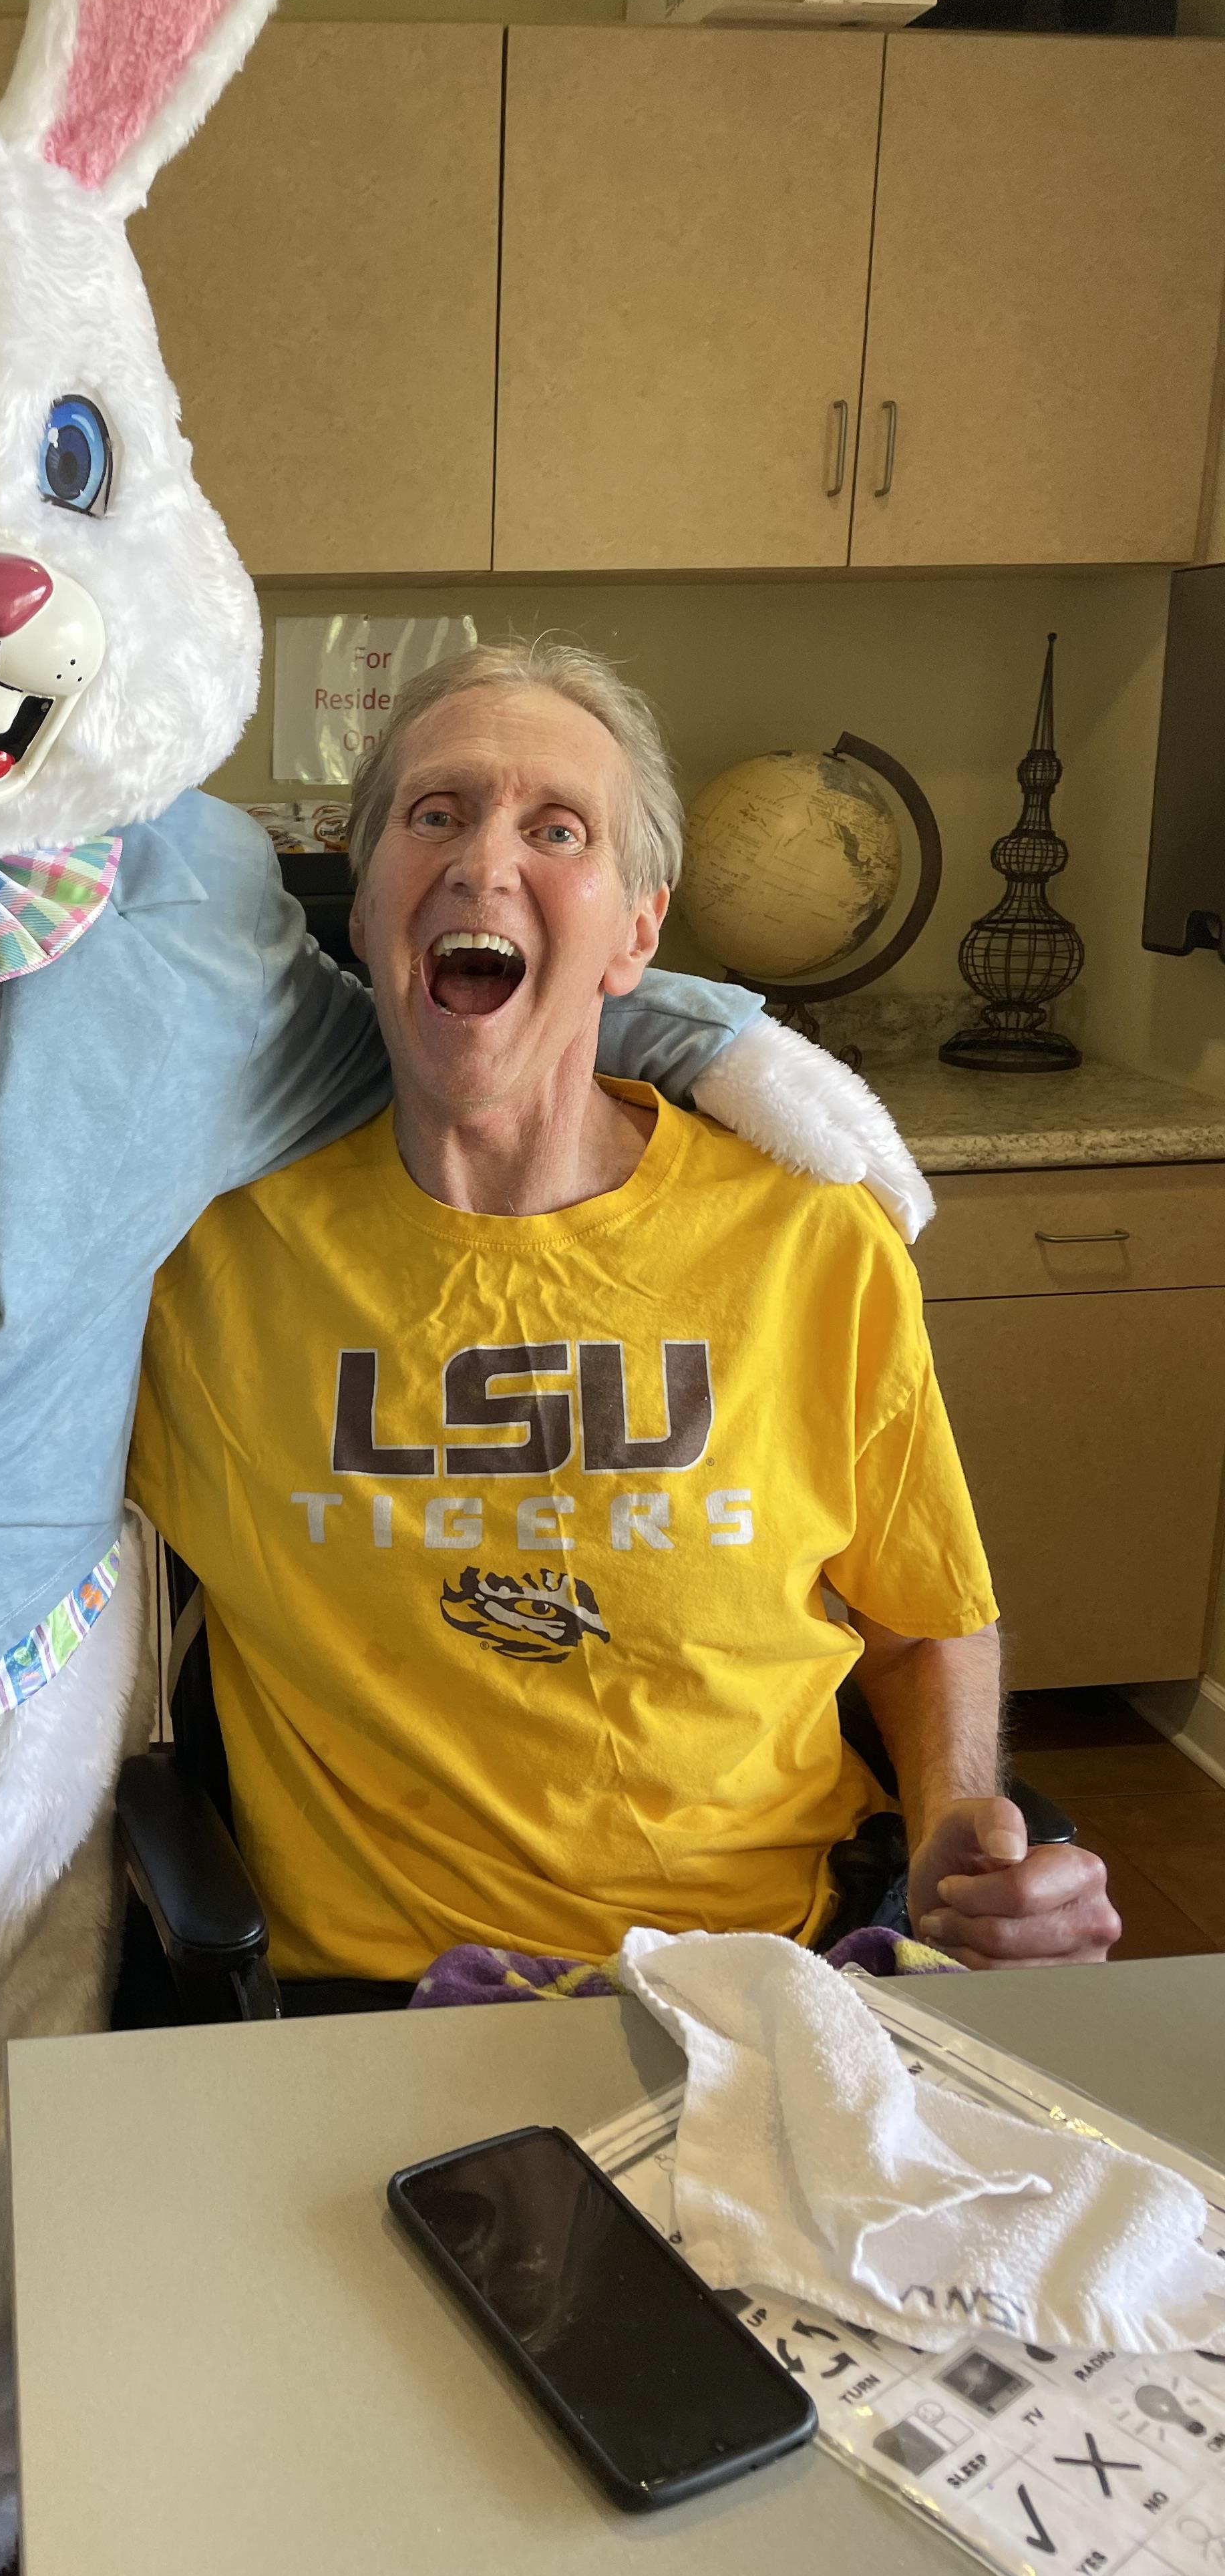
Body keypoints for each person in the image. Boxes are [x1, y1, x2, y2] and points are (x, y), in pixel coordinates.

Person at [129, 640, 1120, 1992]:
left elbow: (923, 1616)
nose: (484, 863)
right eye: (436, 814)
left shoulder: (809, 1242)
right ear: (363, 911)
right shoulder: (201, 1261)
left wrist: (958, 1824)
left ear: (637, 935)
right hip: (386, 2005)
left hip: (780, 1969)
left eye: (557, 830)